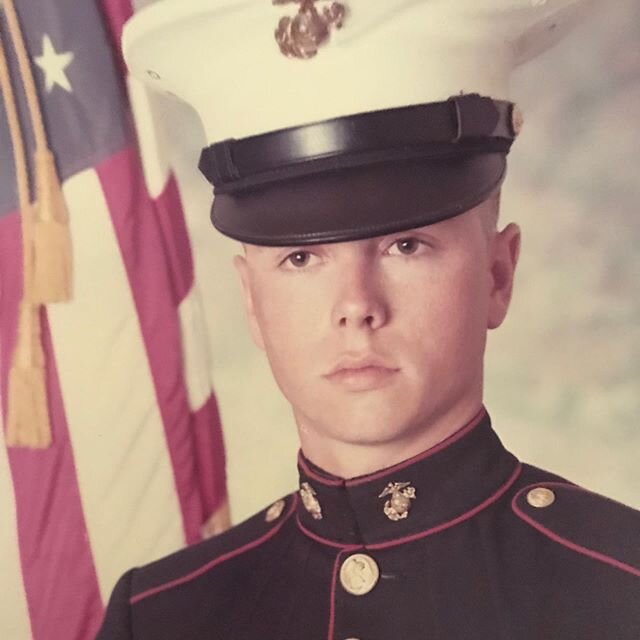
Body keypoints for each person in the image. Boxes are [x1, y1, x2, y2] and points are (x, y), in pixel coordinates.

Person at [97, 0, 640, 638]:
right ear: (251, 300)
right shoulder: (160, 617)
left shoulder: (620, 590)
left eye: (405, 245)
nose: (356, 305)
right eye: (301, 257)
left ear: (498, 274)